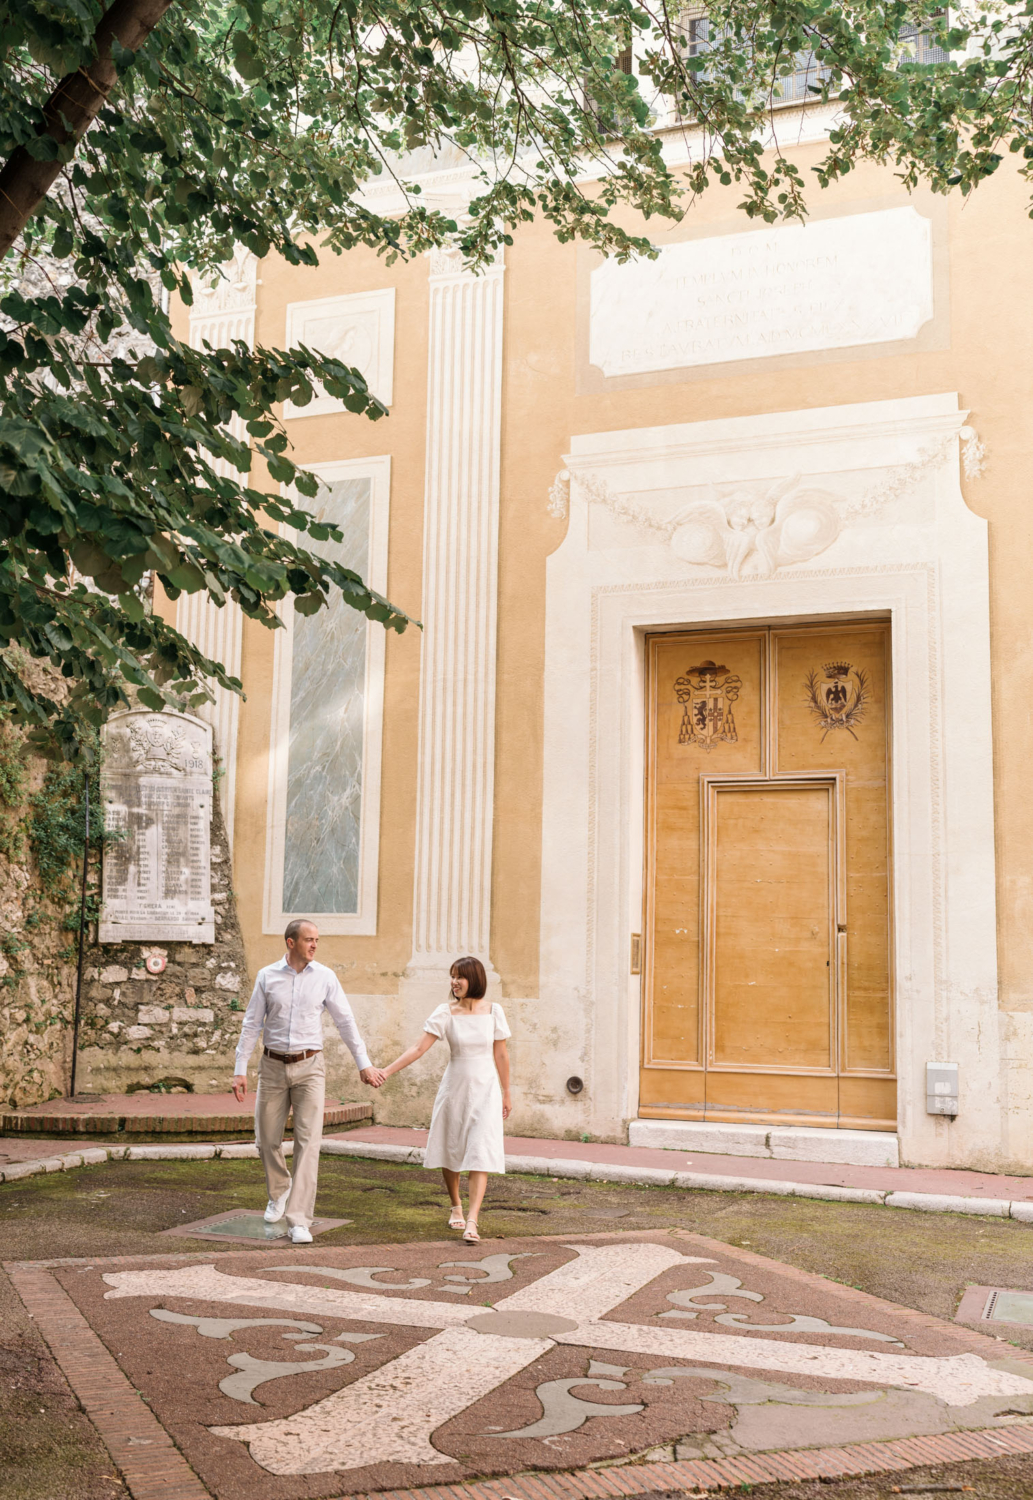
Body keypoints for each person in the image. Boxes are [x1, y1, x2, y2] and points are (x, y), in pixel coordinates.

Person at [231, 919, 384, 1243]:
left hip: (310, 1066)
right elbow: (251, 1024)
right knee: (267, 1139)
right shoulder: (267, 977)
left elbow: (345, 1021)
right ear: (291, 942)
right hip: (272, 1067)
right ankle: (279, 1191)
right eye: (309, 940)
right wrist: (240, 1068)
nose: (314, 945)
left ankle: (299, 1218)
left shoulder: (325, 977)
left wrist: (364, 1064)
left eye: (317, 939)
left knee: (308, 1142)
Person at [381, 955, 511, 1243]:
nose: (454, 982)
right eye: (452, 976)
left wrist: (507, 1093)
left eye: (460, 976)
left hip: (487, 1090)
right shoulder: (445, 1012)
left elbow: (501, 1054)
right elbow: (418, 1048)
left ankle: (473, 1221)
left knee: (481, 1150)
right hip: (455, 1088)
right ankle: (456, 1205)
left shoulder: (494, 1012)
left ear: (474, 979)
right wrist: (386, 1071)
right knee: (451, 1148)